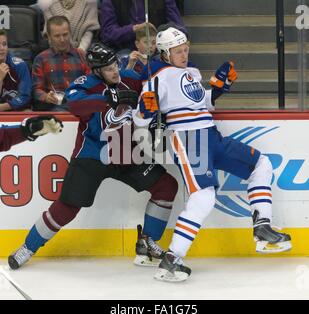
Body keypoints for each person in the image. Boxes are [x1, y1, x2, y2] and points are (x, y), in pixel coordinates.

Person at [133, 27, 292, 282]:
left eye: (186, 49)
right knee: (203, 197)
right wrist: (144, 111)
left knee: (260, 164)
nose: (184, 54)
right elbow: (140, 121)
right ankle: (171, 260)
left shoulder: (192, 71)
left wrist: (219, 88)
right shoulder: (155, 76)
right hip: (187, 139)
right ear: (164, 53)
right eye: (178, 51)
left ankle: (262, 227)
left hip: (210, 135)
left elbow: (201, 103)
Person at [8, 42, 178, 270]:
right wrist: (107, 100)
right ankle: (27, 248)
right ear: (97, 71)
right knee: (67, 207)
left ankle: (147, 242)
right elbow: (74, 104)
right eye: (108, 69)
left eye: (115, 65)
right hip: (92, 153)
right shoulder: (84, 84)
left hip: (125, 150)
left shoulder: (129, 77)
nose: (115, 71)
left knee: (166, 186)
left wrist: (154, 59)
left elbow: (156, 78)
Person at [32, 16, 91, 111]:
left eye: (65, 34)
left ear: (70, 34)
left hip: (81, 104)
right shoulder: (41, 59)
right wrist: (46, 97)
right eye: (57, 36)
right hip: (55, 107)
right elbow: (36, 90)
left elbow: (92, 83)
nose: (62, 39)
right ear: (49, 37)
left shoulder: (82, 55)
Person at [100, 0, 186, 51]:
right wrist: (133, 29)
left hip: (158, 48)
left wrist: (159, 35)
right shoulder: (110, 1)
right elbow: (107, 34)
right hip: (125, 49)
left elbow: (178, 27)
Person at [0, 30, 32, 112]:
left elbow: (24, 96)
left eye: (4, 44)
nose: (2, 48)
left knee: (28, 113)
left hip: (18, 110)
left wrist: (2, 107)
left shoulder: (20, 65)